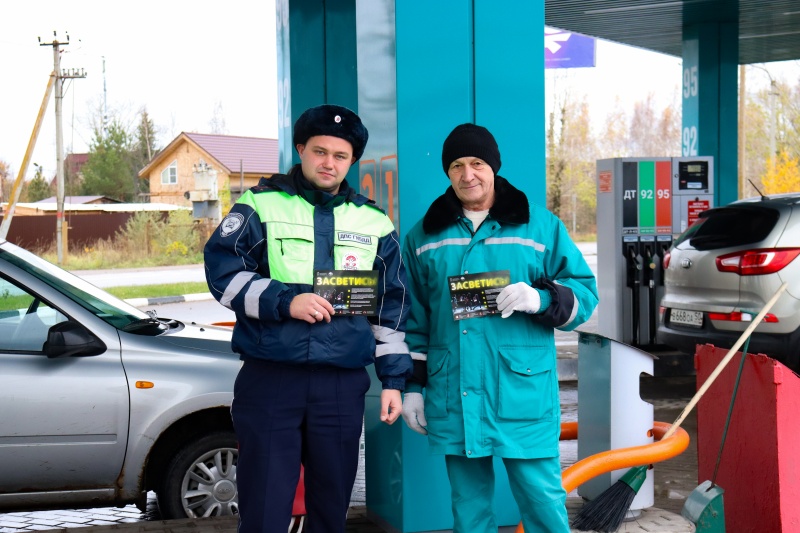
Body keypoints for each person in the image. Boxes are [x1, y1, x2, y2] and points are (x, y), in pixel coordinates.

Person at [204, 104, 412, 533]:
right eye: (319, 151)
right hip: (271, 380)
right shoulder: (259, 205)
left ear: (352, 161)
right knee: (263, 510)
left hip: (340, 386)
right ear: (301, 149)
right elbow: (222, 274)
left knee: (330, 509)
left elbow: (390, 308)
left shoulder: (373, 222)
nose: (328, 163)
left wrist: (393, 382)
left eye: (340, 156)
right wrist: (286, 301)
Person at [400, 123, 598, 533]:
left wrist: (540, 299)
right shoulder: (423, 237)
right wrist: (413, 388)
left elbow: (586, 297)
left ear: (494, 167)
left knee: (542, 502)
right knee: (469, 511)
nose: (467, 174)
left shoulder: (540, 227)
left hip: (521, 393)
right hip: (455, 391)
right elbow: (413, 320)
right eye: (456, 165)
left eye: (477, 163)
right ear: (447, 171)